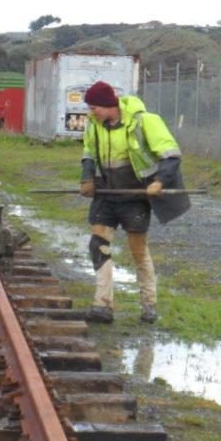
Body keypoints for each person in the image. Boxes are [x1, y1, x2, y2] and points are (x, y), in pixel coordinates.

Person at [80, 81, 190, 324]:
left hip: (135, 196)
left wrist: (160, 181)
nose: (91, 112)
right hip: (107, 194)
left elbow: (171, 155)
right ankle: (103, 305)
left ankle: (149, 304)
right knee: (98, 245)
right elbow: (88, 151)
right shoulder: (94, 124)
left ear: (109, 105)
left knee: (138, 251)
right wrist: (87, 177)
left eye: (94, 107)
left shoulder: (145, 121)